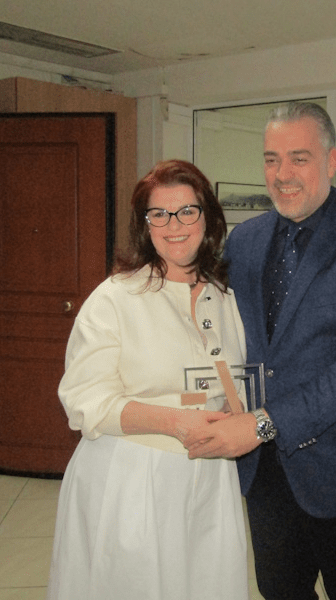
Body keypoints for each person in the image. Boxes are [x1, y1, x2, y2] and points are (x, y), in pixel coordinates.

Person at [185, 102, 336, 599]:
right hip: (266, 470)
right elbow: (216, 325)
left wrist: (261, 423)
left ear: (332, 160)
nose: (282, 174)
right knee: (280, 591)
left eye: (299, 158)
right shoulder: (245, 241)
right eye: (272, 159)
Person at [46, 159, 250, 600]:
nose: (174, 225)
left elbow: (232, 381)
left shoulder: (225, 296)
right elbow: (85, 401)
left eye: (187, 211)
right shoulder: (116, 298)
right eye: (159, 214)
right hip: (132, 480)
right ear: (145, 225)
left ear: (208, 218)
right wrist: (175, 421)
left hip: (210, 478)